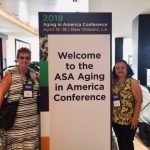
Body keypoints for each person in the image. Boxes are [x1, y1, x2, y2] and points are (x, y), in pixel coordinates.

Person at [0, 47, 40, 149]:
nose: (24, 60)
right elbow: (0, 95)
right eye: (21, 57)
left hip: (31, 124)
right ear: (17, 59)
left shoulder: (34, 74)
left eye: (27, 58)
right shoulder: (10, 74)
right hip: (15, 125)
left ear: (30, 60)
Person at [112, 60, 143, 150]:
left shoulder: (133, 82)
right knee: (120, 141)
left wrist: (134, 118)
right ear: (114, 70)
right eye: (117, 68)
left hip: (129, 120)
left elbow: (139, 101)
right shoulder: (113, 82)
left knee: (127, 143)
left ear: (127, 69)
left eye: (123, 68)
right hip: (115, 119)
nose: (120, 70)